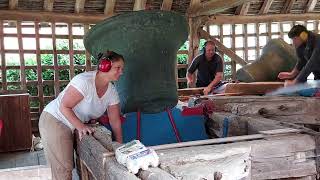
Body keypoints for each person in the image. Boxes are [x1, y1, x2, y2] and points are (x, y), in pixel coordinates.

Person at [39, 50, 124, 180]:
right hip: (55, 119)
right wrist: (81, 126)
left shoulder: (111, 91)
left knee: (79, 166)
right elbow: (64, 106)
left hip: (72, 123)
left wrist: (119, 146)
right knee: (63, 170)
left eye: (122, 69)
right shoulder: (84, 82)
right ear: (104, 66)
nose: (121, 72)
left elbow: (115, 121)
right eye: (118, 68)